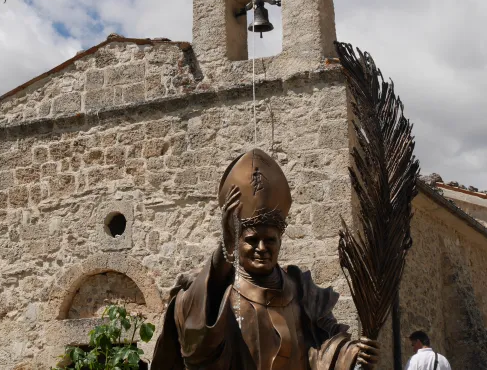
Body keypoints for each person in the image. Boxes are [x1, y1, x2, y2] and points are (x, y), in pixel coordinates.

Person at [151, 148, 380, 370]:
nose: (261, 248)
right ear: (237, 242)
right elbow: (195, 346)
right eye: (251, 240)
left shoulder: (303, 293)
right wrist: (225, 247)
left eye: (270, 240)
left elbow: (327, 349)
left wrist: (356, 357)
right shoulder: (217, 292)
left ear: (280, 240)